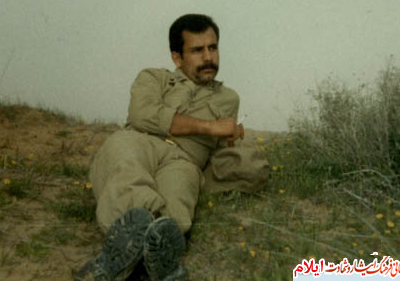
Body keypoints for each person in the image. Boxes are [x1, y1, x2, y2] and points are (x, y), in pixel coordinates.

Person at [74, 14, 268, 281]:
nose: (208, 57)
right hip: (141, 142)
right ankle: (133, 235)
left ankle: (147, 252)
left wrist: (235, 142)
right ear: (177, 58)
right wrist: (210, 127)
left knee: (177, 203)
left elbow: (219, 153)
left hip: (184, 160)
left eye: (212, 47)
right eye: (197, 50)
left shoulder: (228, 99)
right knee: (124, 160)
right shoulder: (153, 78)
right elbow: (142, 114)